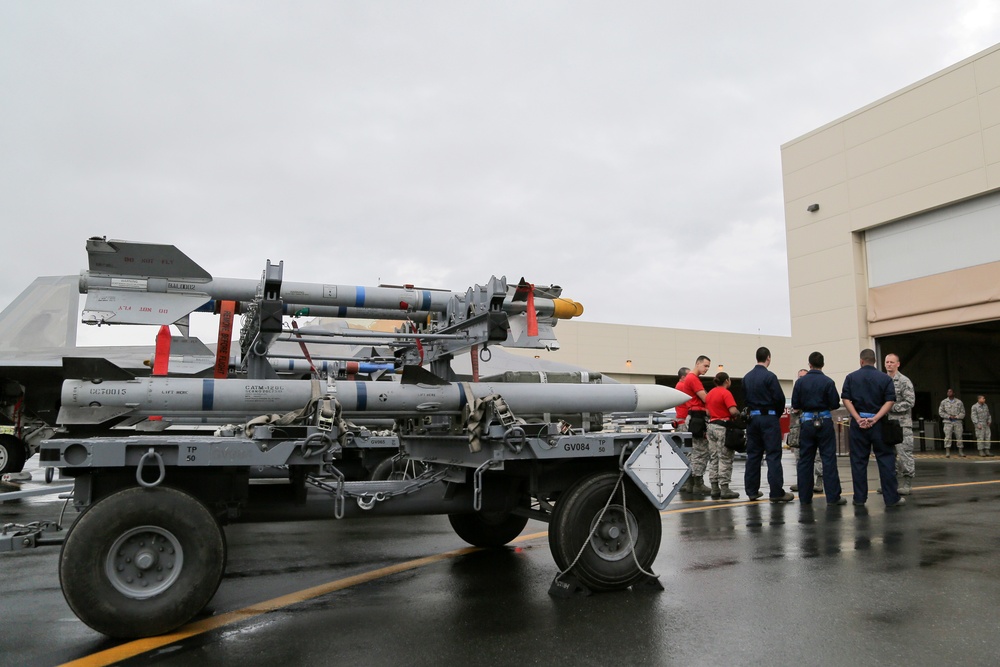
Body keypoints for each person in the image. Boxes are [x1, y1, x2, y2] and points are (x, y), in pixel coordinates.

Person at [841, 348, 902, 507]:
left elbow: (846, 399)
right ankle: (891, 498)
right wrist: (875, 418)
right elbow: (890, 401)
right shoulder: (885, 378)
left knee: (859, 461)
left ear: (861, 361)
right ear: (875, 361)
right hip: (879, 425)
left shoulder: (851, 377)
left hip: (858, 424)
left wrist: (858, 418)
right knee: (886, 460)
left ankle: (859, 498)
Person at [791, 352, 845, 504]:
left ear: (809, 364)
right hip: (825, 421)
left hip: (807, 422)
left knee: (805, 460)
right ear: (823, 364)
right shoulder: (828, 381)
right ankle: (833, 497)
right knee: (828, 459)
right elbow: (835, 403)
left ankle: (805, 497)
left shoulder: (800, 383)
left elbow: (795, 404)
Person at [742, 347, 793, 502]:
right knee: (773, 455)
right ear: (768, 358)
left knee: (753, 456)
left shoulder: (746, 377)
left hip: (753, 419)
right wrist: (774, 415)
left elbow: (744, 398)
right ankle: (776, 492)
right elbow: (779, 399)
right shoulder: (770, 377)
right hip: (768, 419)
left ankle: (752, 491)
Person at [677, 356, 712, 496]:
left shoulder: (689, 379)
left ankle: (691, 482)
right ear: (697, 364)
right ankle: (698, 483)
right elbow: (705, 398)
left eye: (708, 366)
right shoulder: (693, 379)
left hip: (693, 417)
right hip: (697, 417)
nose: (706, 369)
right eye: (705, 365)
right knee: (700, 451)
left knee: (692, 452)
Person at [884, 353, 916, 494]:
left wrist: (891, 407)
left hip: (902, 424)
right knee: (889, 454)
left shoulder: (904, 381)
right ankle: (891, 484)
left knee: (904, 454)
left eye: (892, 362)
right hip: (887, 424)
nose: (889, 364)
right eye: (887, 362)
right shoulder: (883, 380)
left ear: (898, 364)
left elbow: (910, 402)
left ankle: (907, 483)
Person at [705, 372, 740, 500]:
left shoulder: (709, 394)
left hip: (711, 426)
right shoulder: (725, 393)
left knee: (713, 457)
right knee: (725, 457)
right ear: (727, 380)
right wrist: (738, 414)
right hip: (723, 427)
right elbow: (732, 410)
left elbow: (708, 412)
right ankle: (725, 488)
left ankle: (714, 487)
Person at [789, 368, 823, 493]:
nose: (801, 379)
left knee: (817, 455)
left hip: (813, 424)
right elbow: (794, 409)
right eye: (799, 377)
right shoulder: (797, 389)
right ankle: (802, 481)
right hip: (799, 426)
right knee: (799, 455)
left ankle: (819, 481)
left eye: (804, 376)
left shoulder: (812, 389)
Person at [938, 389, 966, 457]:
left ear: (954, 393)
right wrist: (948, 416)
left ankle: (960, 451)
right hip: (948, 422)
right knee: (947, 437)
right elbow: (941, 412)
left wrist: (957, 417)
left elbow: (963, 412)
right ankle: (947, 452)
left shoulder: (959, 402)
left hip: (957, 421)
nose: (949, 393)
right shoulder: (944, 402)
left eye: (950, 391)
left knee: (959, 436)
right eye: (948, 391)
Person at [674, 367, 690, 431]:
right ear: (683, 377)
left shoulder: (678, 386)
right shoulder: (683, 386)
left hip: (681, 419)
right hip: (684, 420)